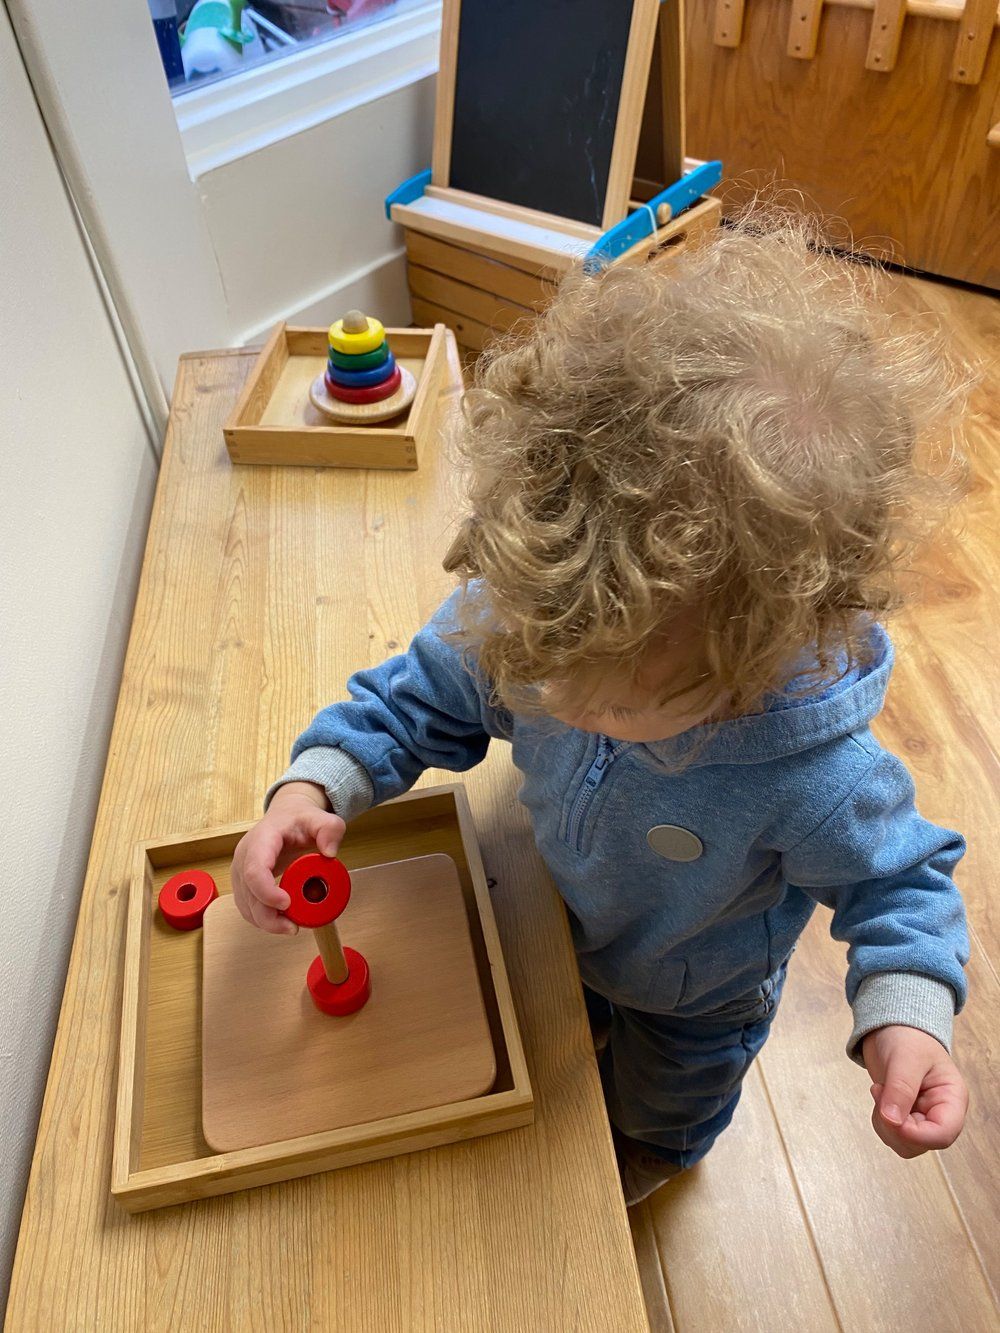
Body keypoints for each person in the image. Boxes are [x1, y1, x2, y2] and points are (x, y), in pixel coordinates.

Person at [232, 218, 970, 1205]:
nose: (545, 689)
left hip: (691, 995)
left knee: (660, 1106)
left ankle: (657, 1155)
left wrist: (905, 1017)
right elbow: (416, 699)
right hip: (554, 923)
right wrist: (314, 781)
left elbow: (902, 884)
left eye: (604, 690)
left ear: (748, 665)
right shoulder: (541, 617)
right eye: (539, 659)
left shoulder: (816, 776)